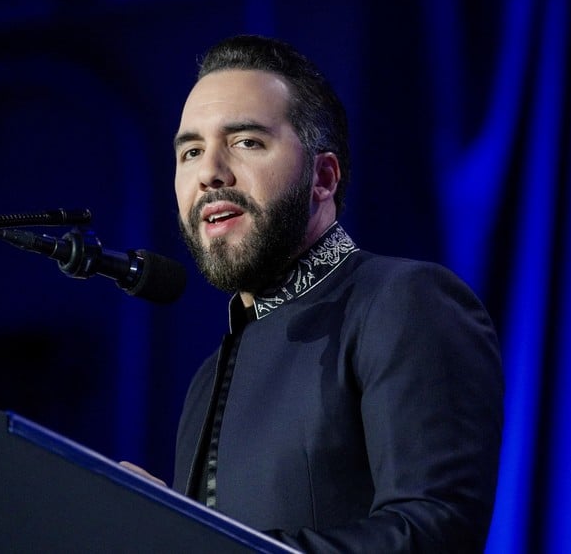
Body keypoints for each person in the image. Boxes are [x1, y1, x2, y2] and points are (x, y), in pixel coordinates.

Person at [167, 34, 502, 552]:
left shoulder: (405, 301)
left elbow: (436, 531)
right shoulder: (206, 380)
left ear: (322, 177)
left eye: (246, 142)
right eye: (191, 151)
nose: (209, 172)